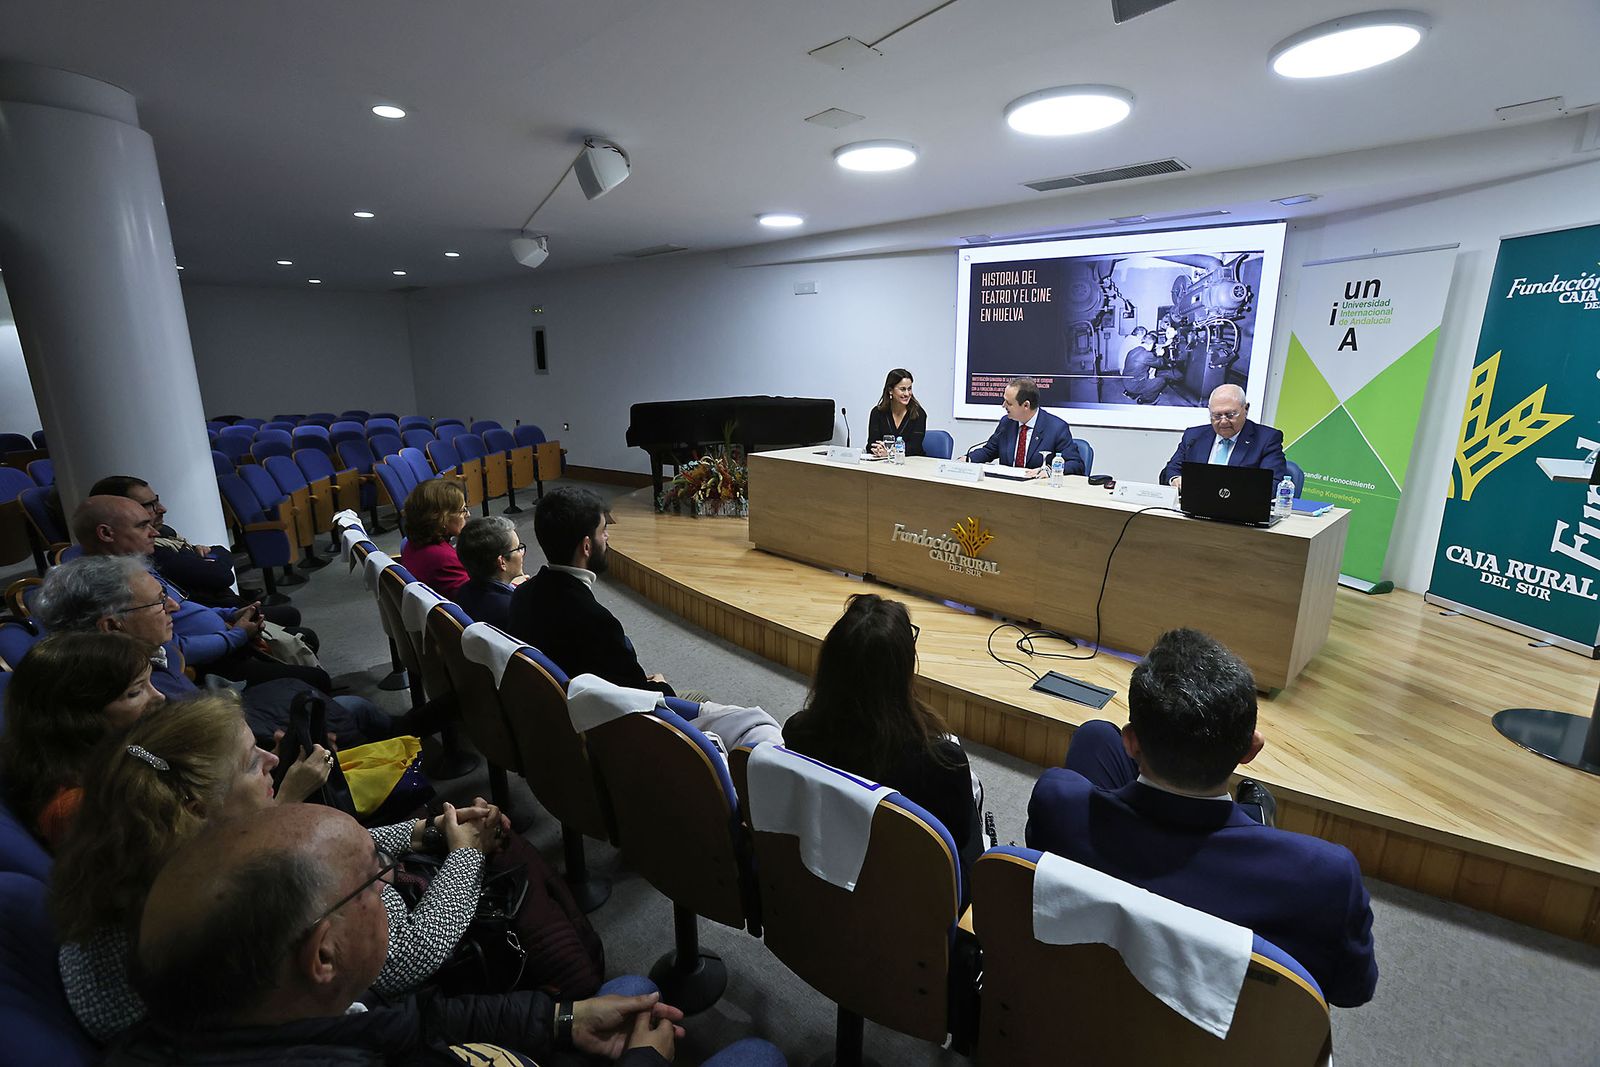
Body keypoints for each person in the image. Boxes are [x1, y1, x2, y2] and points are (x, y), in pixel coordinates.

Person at [111, 803, 787, 1066]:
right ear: (323, 954)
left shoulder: (295, 1013)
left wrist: (560, 1019)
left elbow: (414, 1022)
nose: (391, 879)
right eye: (374, 879)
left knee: (627, 991)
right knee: (755, 1054)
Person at [49, 692, 508, 1042]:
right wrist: (466, 853)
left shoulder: (137, 849)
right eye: (252, 762)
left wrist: (430, 831)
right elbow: (409, 957)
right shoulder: (226, 900)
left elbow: (320, 847)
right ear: (196, 804)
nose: (273, 760)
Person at [1024, 628, 1378, 1007]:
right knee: (1098, 737)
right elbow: (1353, 991)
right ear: (1251, 749)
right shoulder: (1326, 878)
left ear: (1132, 742)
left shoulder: (1057, 804)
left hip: (1083, 1012)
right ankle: (1255, 817)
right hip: (1223, 1036)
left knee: (1095, 736)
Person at [33, 554, 398, 747]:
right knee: (353, 709)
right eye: (159, 602)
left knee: (344, 704)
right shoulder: (126, 697)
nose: (173, 607)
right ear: (112, 626)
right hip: (253, 750)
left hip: (237, 724)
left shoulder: (146, 656)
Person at [782, 594, 983, 879]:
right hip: (915, 893)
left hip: (829, 872)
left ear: (830, 665)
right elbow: (959, 843)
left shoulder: (798, 731)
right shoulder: (944, 762)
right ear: (903, 669)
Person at [71, 495, 332, 693]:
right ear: (106, 533)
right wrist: (237, 635)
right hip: (212, 663)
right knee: (314, 678)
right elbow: (170, 649)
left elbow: (185, 606)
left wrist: (229, 614)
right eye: (142, 526)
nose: (155, 532)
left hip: (227, 639)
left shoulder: (136, 567)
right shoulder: (109, 586)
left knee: (301, 648)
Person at [0, 631, 162, 849]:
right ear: (80, 717)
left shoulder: (119, 748)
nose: (158, 696)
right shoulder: (79, 808)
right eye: (135, 692)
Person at [509, 487, 676, 696]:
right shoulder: (597, 622)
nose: (607, 537)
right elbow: (639, 697)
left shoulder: (521, 594)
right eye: (603, 530)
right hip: (599, 713)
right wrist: (661, 685)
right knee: (700, 699)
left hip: (549, 706)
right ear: (586, 547)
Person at [1161, 383, 1288, 489]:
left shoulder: (1267, 439)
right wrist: (1175, 480)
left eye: (1230, 415)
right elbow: (1170, 470)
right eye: (1216, 416)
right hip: (1195, 506)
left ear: (1246, 409)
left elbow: (1273, 484)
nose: (1223, 421)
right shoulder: (1194, 436)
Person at [961, 376, 1081, 478]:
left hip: (1038, 490)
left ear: (1026, 405)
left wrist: (1049, 471)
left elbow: (1076, 464)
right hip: (1007, 488)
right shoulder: (1006, 423)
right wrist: (967, 459)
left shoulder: (1056, 428)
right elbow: (989, 451)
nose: (1003, 406)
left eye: (1009, 403)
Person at [453, 514, 528, 629]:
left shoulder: (463, 592)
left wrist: (512, 587)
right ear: (502, 562)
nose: (522, 553)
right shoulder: (515, 609)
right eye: (518, 549)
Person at [399, 477, 471, 596]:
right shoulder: (445, 559)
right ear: (442, 518)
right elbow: (475, 600)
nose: (468, 514)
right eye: (462, 510)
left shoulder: (411, 543)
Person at [866, 368, 927, 458]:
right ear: (890, 390)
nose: (907, 394)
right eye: (902, 389)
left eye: (909, 389)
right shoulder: (877, 413)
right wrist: (878, 449)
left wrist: (891, 452)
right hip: (882, 462)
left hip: (911, 462)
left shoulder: (918, 413)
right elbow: (872, 444)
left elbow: (915, 447)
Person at [1121, 328, 1181, 405]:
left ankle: (1134, 393)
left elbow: (1146, 359)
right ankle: (1146, 399)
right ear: (1151, 344)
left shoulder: (1134, 350)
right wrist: (1160, 355)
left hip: (1126, 381)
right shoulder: (1146, 355)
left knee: (1149, 373)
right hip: (1134, 385)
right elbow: (1160, 364)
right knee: (1161, 381)